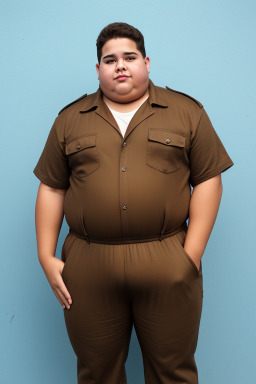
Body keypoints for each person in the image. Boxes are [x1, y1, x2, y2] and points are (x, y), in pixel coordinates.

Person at [33, 22, 234, 384]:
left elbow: (208, 178)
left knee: (173, 372)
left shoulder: (186, 113)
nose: (120, 65)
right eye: (110, 60)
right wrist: (46, 257)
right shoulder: (69, 120)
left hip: (166, 257)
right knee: (97, 374)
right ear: (98, 70)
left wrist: (190, 255)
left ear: (147, 62)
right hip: (89, 263)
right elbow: (51, 187)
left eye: (130, 57)